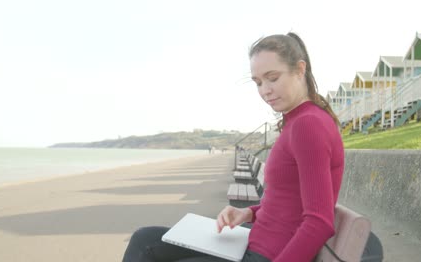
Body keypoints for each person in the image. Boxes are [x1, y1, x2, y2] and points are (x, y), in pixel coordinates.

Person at [122, 32, 344, 262]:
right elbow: (287, 200)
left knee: (145, 247)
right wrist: (248, 212)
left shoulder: (308, 125)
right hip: (255, 240)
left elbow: (319, 221)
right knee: (144, 239)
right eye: (258, 82)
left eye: (273, 78)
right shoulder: (297, 121)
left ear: (300, 69)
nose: (264, 90)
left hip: (268, 254)